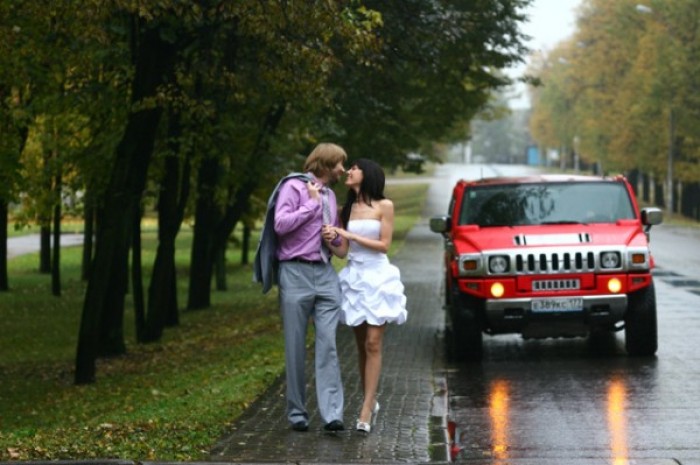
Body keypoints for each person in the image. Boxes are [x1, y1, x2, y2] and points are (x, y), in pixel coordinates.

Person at [323, 158, 407, 434]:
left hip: (378, 278)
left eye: (355, 168)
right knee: (361, 346)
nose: (349, 171)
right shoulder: (346, 209)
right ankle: (371, 399)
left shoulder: (385, 206)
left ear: (368, 173)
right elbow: (343, 251)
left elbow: (384, 246)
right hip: (354, 279)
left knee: (373, 343)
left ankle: (366, 408)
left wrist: (348, 233)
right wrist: (331, 239)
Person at [270, 143, 347, 433]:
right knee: (295, 347)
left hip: (325, 273)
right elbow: (280, 225)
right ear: (326, 164)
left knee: (328, 345)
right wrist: (309, 206)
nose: (343, 169)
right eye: (339, 163)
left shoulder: (329, 195)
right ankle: (297, 414)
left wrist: (334, 237)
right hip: (295, 272)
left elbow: (338, 246)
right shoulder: (293, 187)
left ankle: (332, 415)